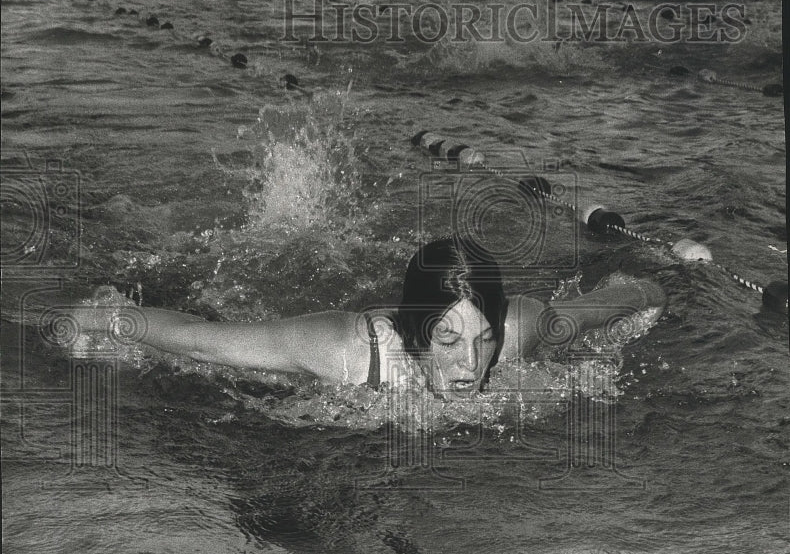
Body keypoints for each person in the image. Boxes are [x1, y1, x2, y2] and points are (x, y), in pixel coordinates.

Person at [62, 235, 666, 401]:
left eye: (482, 339)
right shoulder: (344, 349)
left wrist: (649, 287)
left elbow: (615, 304)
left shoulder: (522, 329)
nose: (469, 364)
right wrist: (103, 321)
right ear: (415, 330)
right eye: (448, 339)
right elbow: (205, 344)